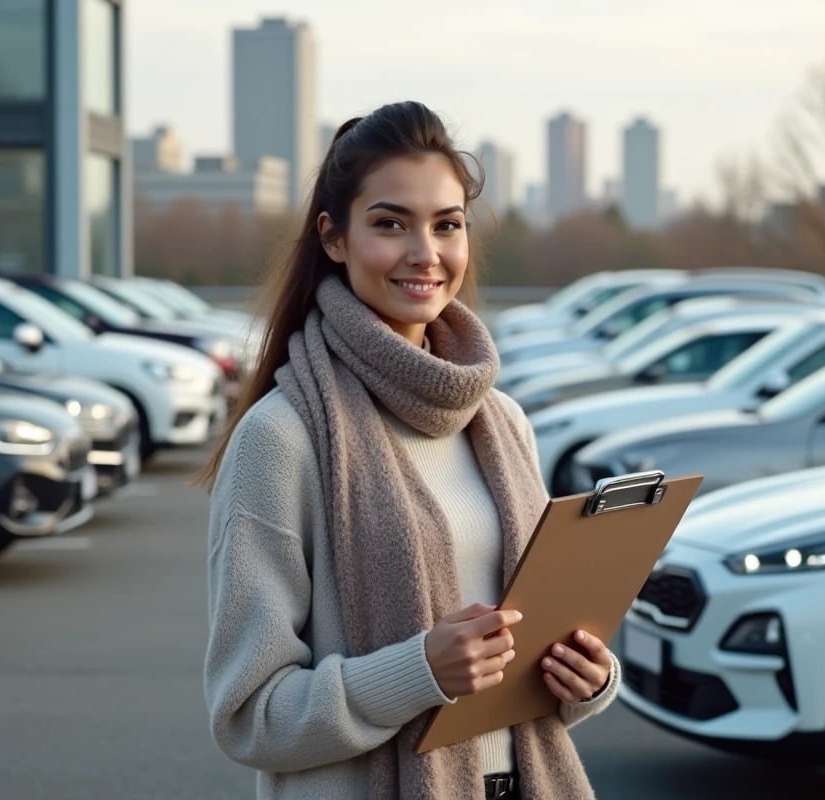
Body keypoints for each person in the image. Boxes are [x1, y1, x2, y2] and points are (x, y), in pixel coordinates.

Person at [200, 101, 620, 800]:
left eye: (447, 225)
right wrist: (417, 671)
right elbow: (250, 717)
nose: (426, 253)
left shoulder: (503, 423)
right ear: (334, 238)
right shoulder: (281, 438)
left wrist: (589, 679)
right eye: (391, 224)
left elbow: (530, 653)